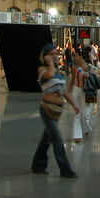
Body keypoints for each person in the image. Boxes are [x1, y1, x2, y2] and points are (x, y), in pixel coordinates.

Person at [32, 43, 79, 177]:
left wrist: (74, 104)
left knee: (46, 139)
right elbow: (48, 75)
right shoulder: (42, 69)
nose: (54, 56)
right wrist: (50, 64)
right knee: (57, 140)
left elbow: (63, 91)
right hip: (47, 109)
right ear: (45, 56)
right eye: (51, 54)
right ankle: (65, 170)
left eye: (55, 54)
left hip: (57, 110)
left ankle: (38, 165)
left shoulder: (58, 72)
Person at [69, 53, 94, 143]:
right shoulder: (74, 67)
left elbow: (93, 78)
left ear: (80, 56)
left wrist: (88, 76)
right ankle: (77, 135)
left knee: (86, 113)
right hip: (76, 90)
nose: (74, 58)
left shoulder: (87, 66)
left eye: (75, 55)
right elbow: (72, 79)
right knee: (77, 112)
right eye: (73, 56)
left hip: (86, 91)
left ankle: (87, 129)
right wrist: (69, 90)